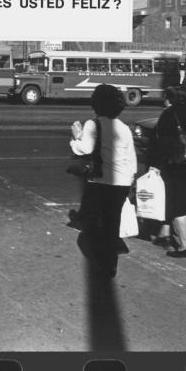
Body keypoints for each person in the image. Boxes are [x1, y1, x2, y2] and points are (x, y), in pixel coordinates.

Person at [69, 84, 137, 278]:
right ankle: (110, 265)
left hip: (101, 182)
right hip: (122, 183)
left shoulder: (93, 124)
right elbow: (131, 160)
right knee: (112, 223)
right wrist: (129, 182)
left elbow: (85, 149)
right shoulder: (123, 128)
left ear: (96, 104)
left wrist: (75, 138)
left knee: (95, 223)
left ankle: (100, 260)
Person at [147, 85, 186, 260]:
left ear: (170, 98)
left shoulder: (167, 116)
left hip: (174, 167)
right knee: (178, 202)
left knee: (177, 207)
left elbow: (160, 146)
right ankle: (165, 234)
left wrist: (154, 166)